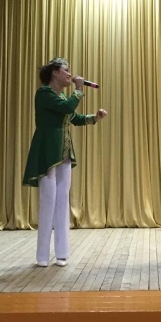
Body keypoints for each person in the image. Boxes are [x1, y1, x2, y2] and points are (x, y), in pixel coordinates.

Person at [23, 57, 107, 267]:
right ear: (54, 73)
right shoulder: (44, 93)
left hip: (64, 153)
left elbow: (73, 117)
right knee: (48, 202)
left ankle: (62, 253)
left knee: (62, 202)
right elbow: (68, 107)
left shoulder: (60, 96)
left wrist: (94, 118)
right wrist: (78, 89)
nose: (70, 74)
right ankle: (42, 255)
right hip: (47, 152)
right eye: (66, 70)